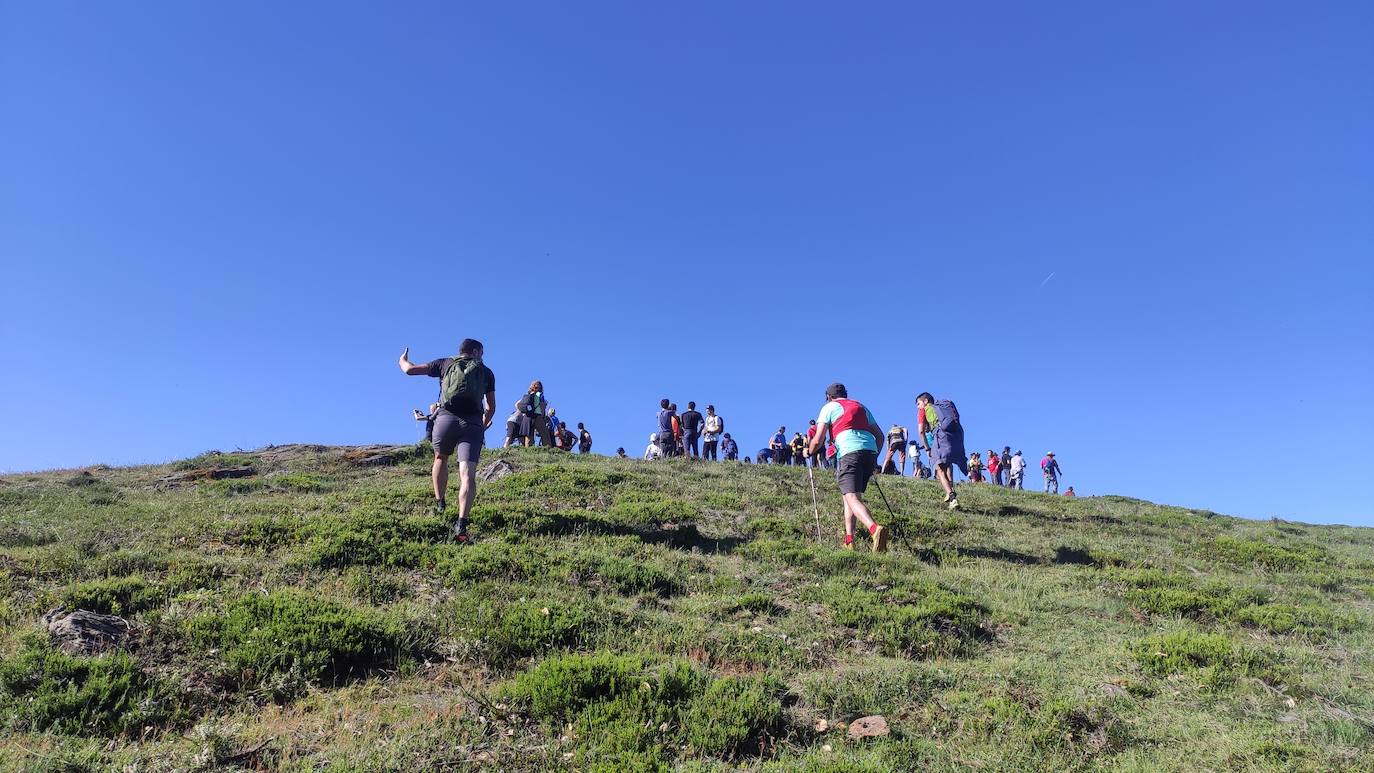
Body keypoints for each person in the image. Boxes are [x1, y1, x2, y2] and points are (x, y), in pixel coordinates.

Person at [397, 340, 495, 542]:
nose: (482, 357)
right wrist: (483, 425)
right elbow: (491, 407)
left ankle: (440, 503)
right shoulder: (486, 372)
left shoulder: (445, 363)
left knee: (440, 458)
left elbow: (410, 370)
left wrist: (402, 360)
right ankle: (462, 523)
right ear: (475, 351)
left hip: (445, 419)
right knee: (467, 473)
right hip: (473, 423)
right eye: (481, 353)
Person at [806, 383, 888, 552]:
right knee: (850, 497)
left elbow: (818, 438)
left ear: (829, 397)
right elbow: (880, 435)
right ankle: (849, 541)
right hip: (870, 452)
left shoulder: (829, 407)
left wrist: (809, 451)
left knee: (851, 497)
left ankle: (874, 529)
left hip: (849, 451)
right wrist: (874, 456)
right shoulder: (861, 406)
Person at [916, 392, 967, 510]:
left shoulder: (924, 410)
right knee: (947, 465)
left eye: (919, 404)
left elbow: (921, 431)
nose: (918, 407)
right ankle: (950, 489)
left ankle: (952, 497)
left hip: (940, 437)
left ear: (925, 401)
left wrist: (927, 448)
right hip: (953, 437)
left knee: (939, 468)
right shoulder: (941, 409)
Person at [518, 382, 551, 447]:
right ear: (532, 388)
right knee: (529, 438)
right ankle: (529, 453)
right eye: (536, 387)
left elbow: (541, 409)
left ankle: (548, 450)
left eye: (539, 388)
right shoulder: (528, 395)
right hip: (529, 417)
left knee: (545, 435)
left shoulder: (541, 397)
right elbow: (519, 405)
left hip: (537, 417)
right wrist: (528, 409)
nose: (537, 389)